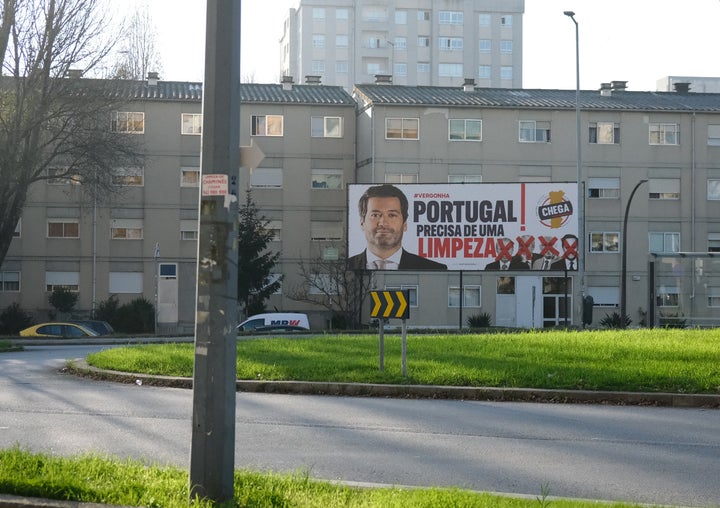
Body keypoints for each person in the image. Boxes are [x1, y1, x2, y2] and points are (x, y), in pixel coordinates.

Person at [347, 184, 447, 270]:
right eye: (375, 215)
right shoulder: (342, 268)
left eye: (392, 215)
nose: (383, 223)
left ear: (405, 224)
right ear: (362, 222)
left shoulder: (434, 269)